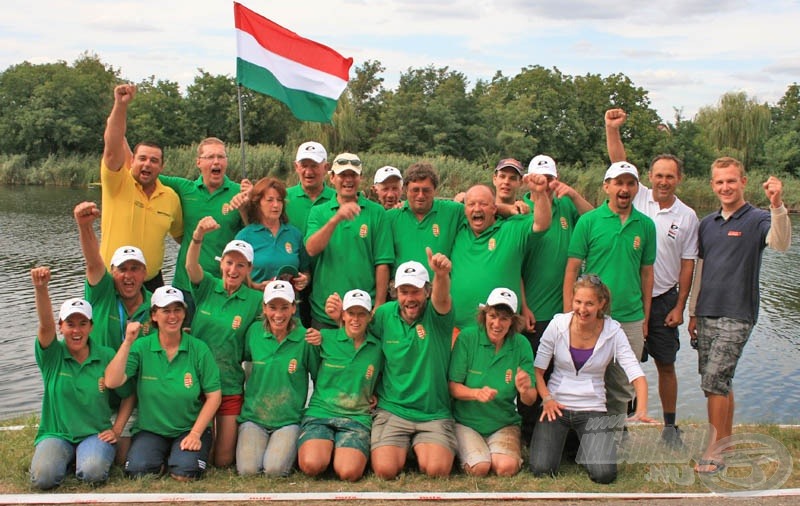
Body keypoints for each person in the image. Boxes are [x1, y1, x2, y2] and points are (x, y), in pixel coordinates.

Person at [687, 157, 791, 474]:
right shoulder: (707, 223)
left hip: (738, 312)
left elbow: (781, 243)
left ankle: (715, 452)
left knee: (715, 379)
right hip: (706, 311)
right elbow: (701, 270)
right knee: (715, 382)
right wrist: (692, 312)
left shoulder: (758, 218)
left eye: (731, 181)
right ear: (712, 185)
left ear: (743, 182)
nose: (725, 187)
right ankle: (727, 440)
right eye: (719, 182)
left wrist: (777, 205)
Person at [605, 108, 699, 444]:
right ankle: (622, 423)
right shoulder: (637, 196)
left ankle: (670, 427)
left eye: (669, 176)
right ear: (650, 177)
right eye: (657, 175)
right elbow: (619, 162)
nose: (662, 181)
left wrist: (681, 306)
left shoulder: (687, 216)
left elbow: (688, 264)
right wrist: (612, 129)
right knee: (621, 365)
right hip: (628, 300)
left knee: (666, 364)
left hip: (663, 301)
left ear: (678, 179)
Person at [531, 275, 654, 484]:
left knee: (604, 475)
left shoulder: (613, 331)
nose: (582, 309)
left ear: (601, 304)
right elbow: (537, 371)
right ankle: (571, 446)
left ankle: (587, 447)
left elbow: (636, 374)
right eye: (578, 302)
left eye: (589, 303)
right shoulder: (558, 324)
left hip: (592, 407)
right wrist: (547, 398)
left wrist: (641, 408)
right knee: (542, 470)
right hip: (556, 406)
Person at [564, 161, 656, 420]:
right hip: (592, 316)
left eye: (630, 183)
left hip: (631, 316)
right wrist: (568, 312)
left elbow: (647, 274)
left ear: (637, 188)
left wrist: (645, 317)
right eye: (618, 182)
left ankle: (614, 435)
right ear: (607, 187)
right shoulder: (589, 221)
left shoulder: (646, 225)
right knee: (587, 378)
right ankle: (582, 439)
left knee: (622, 384)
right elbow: (572, 269)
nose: (624, 189)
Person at [29, 267, 134, 490]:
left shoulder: (106, 355)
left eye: (82, 323)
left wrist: (116, 430)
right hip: (56, 434)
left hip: (95, 434)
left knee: (93, 473)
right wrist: (41, 289)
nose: (76, 330)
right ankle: (62, 458)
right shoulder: (52, 355)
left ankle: (82, 458)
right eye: (70, 324)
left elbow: (128, 395)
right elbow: (45, 325)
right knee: (43, 478)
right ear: (61, 327)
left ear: (91, 327)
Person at [104, 287, 221, 481]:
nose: (173, 316)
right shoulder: (141, 347)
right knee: (138, 472)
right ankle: (164, 456)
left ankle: (179, 458)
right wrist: (128, 342)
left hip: (188, 428)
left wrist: (195, 434)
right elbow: (111, 381)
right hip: (151, 430)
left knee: (185, 473)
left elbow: (214, 396)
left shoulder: (199, 349)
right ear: (154, 315)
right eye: (166, 310)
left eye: (178, 310)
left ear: (185, 313)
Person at [517, 154, 593, 443]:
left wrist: (573, 193)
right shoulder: (522, 208)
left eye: (549, 179)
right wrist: (523, 306)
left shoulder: (565, 205)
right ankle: (529, 436)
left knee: (561, 374)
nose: (544, 184)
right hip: (533, 310)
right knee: (531, 371)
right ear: (529, 179)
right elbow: (516, 264)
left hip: (564, 308)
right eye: (538, 178)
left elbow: (595, 218)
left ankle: (562, 436)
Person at [361, 251, 456, 479]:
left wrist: (441, 275)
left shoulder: (438, 315)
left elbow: (442, 298)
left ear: (427, 290)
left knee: (437, 470)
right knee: (385, 471)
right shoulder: (383, 314)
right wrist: (370, 388)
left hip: (432, 413)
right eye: (404, 292)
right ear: (395, 292)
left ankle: (418, 449)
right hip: (393, 409)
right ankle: (408, 449)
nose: (409, 298)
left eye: (416, 291)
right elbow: (364, 346)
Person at [75, 201, 153, 463]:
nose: (128, 276)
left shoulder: (158, 306)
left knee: (124, 458)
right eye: (121, 269)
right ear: (112, 273)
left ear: (145, 273)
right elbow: (92, 262)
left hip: (136, 393)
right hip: (99, 389)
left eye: (134, 269)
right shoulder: (102, 293)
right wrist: (85, 226)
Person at [186, 218, 263, 467]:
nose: (233, 270)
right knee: (202, 457)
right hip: (197, 384)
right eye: (229, 263)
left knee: (222, 460)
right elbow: (190, 265)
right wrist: (198, 235)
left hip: (229, 382)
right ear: (222, 264)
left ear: (249, 268)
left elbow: (276, 321)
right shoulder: (207, 285)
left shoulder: (255, 300)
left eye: (240, 265)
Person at [159, 136, 251, 325]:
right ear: (198, 163)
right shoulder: (184, 188)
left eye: (221, 157)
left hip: (223, 286)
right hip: (186, 287)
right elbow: (145, 172)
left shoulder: (240, 193)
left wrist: (248, 204)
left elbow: (252, 235)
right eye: (210, 157)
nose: (216, 161)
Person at [99, 83, 182, 291]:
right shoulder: (117, 183)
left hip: (151, 284)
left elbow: (181, 236)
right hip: (112, 281)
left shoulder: (170, 197)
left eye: (154, 161)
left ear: (162, 166)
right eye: (142, 159)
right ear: (133, 160)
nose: (147, 164)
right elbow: (112, 146)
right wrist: (120, 105)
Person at [236, 280, 321, 476]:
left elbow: (318, 380)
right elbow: (244, 362)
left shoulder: (305, 339)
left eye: (284, 307)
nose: (278, 314)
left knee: (274, 470)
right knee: (248, 471)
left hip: (288, 420)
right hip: (254, 417)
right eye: (272, 307)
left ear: (293, 308)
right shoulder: (253, 333)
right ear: (264, 308)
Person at [448, 288, 536, 477]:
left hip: (503, 422)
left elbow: (530, 400)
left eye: (504, 318)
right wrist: (475, 393)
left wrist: (525, 389)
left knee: (505, 468)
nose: (497, 324)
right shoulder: (467, 338)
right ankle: (468, 454)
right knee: (479, 468)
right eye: (493, 316)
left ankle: (493, 452)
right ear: (484, 314)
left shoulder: (521, 344)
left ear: (512, 321)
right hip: (466, 422)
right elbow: (453, 387)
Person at [298, 289, 383, 481]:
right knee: (312, 465)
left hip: (357, 418)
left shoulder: (378, 348)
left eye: (361, 314)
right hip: (321, 413)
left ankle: (339, 452)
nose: (355, 319)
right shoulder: (323, 338)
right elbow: (312, 371)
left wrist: (376, 393)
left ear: (370, 317)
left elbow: (383, 377)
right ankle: (325, 450)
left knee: (349, 473)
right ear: (343, 315)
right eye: (351, 313)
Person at [450, 175, 551, 331]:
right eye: (471, 204)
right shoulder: (457, 227)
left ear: (494, 208)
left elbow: (541, 224)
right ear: (465, 210)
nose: (477, 209)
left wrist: (540, 193)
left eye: (483, 204)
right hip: (458, 331)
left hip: (501, 332)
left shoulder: (511, 229)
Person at [305, 152, 393, 329]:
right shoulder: (319, 211)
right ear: (332, 177)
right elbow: (312, 249)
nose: (348, 180)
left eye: (353, 175)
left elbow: (382, 262)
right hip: (325, 312)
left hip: (363, 311)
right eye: (343, 175)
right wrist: (336, 219)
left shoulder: (376, 213)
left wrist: (379, 305)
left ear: (361, 177)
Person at [385, 162, 465, 280]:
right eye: (415, 190)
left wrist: (468, 197)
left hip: (439, 291)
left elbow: (485, 210)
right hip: (403, 293)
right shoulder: (390, 217)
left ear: (435, 190)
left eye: (426, 190)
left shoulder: (454, 211)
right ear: (405, 189)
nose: (421, 195)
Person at [285, 141, 335, 327]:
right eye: (304, 165)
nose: (309, 171)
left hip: (326, 280)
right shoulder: (283, 198)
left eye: (314, 165)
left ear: (326, 168)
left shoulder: (337, 199)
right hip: (293, 281)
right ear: (296, 166)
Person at [236, 177, 310, 292]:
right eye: (270, 200)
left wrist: (304, 280)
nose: (276, 205)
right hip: (258, 306)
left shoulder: (294, 234)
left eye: (279, 200)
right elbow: (233, 274)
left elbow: (306, 270)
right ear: (258, 203)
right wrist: (255, 286)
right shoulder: (245, 236)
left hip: (289, 307)